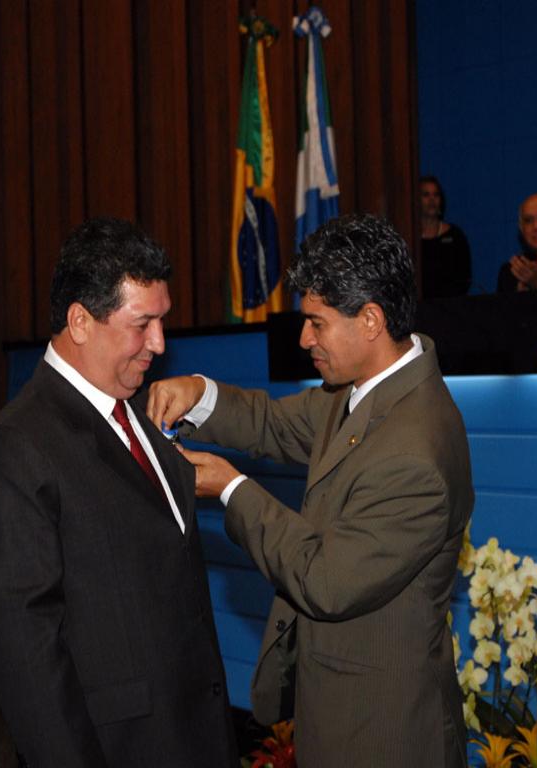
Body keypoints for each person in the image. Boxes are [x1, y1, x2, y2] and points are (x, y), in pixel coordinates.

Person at [147, 213, 473, 767]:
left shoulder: (414, 454)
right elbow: (274, 424)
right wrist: (199, 393)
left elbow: (325, 581)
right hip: (338, 715)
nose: (304, 339)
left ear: (370, 320)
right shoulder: (364, 391)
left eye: (317, 323)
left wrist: (231, 489)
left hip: (384, 732)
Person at [0, 217, 238, 768]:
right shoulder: (16, 446)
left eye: (162, 320)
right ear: (80, 321)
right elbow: (27, 658)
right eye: (142, 324)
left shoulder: (138, 413)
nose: (159, 343)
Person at [419, 175, 472, 297]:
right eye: (426, 195)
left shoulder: (455, 236)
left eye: (436, 195)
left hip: (451, 304)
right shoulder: (410, 239)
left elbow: (464, 278)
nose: (432, 200)